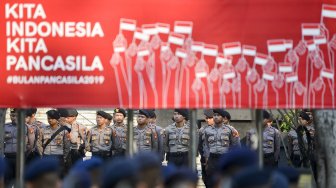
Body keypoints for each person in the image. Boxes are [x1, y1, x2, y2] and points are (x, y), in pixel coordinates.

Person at [203, 109, 240, 187]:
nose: (216, 117)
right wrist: (206, 159)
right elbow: (206, 146)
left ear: (223, 118)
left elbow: (235, 146)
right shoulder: (207, 130)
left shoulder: (230, 130)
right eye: (214, 115)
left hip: (224, 157)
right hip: (212, 159)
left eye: (218, 115)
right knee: (211, 181)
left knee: (225, 180)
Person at [37, 110, 71, 177]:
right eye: (48, 118)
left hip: (58, 157)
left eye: (52, 118)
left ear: (57, 119)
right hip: (47, 156)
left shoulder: (64, 131)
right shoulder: (43, 130)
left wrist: (64, 158)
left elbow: (67, 146)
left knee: (58, 177)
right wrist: (42, 154)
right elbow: (38, 143)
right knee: (47, 176)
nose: (50, 120)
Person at [4, 108, 31, 184]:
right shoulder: (5, 126)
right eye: (12, 115)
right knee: (7, 178)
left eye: (16, 115)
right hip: (7, 157)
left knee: (19, 178)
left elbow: (31, 144)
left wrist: (25, 153)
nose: (14, 117)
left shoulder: (26, 127)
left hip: (19, 157)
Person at [198, 109, 214, 186]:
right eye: (206, 118)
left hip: (217, 158)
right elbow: (199, 145)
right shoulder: (202, 130)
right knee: (206, 179)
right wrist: (204, 155)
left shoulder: (226, 129)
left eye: (210, 118)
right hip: (205, 158)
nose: (208, 120)